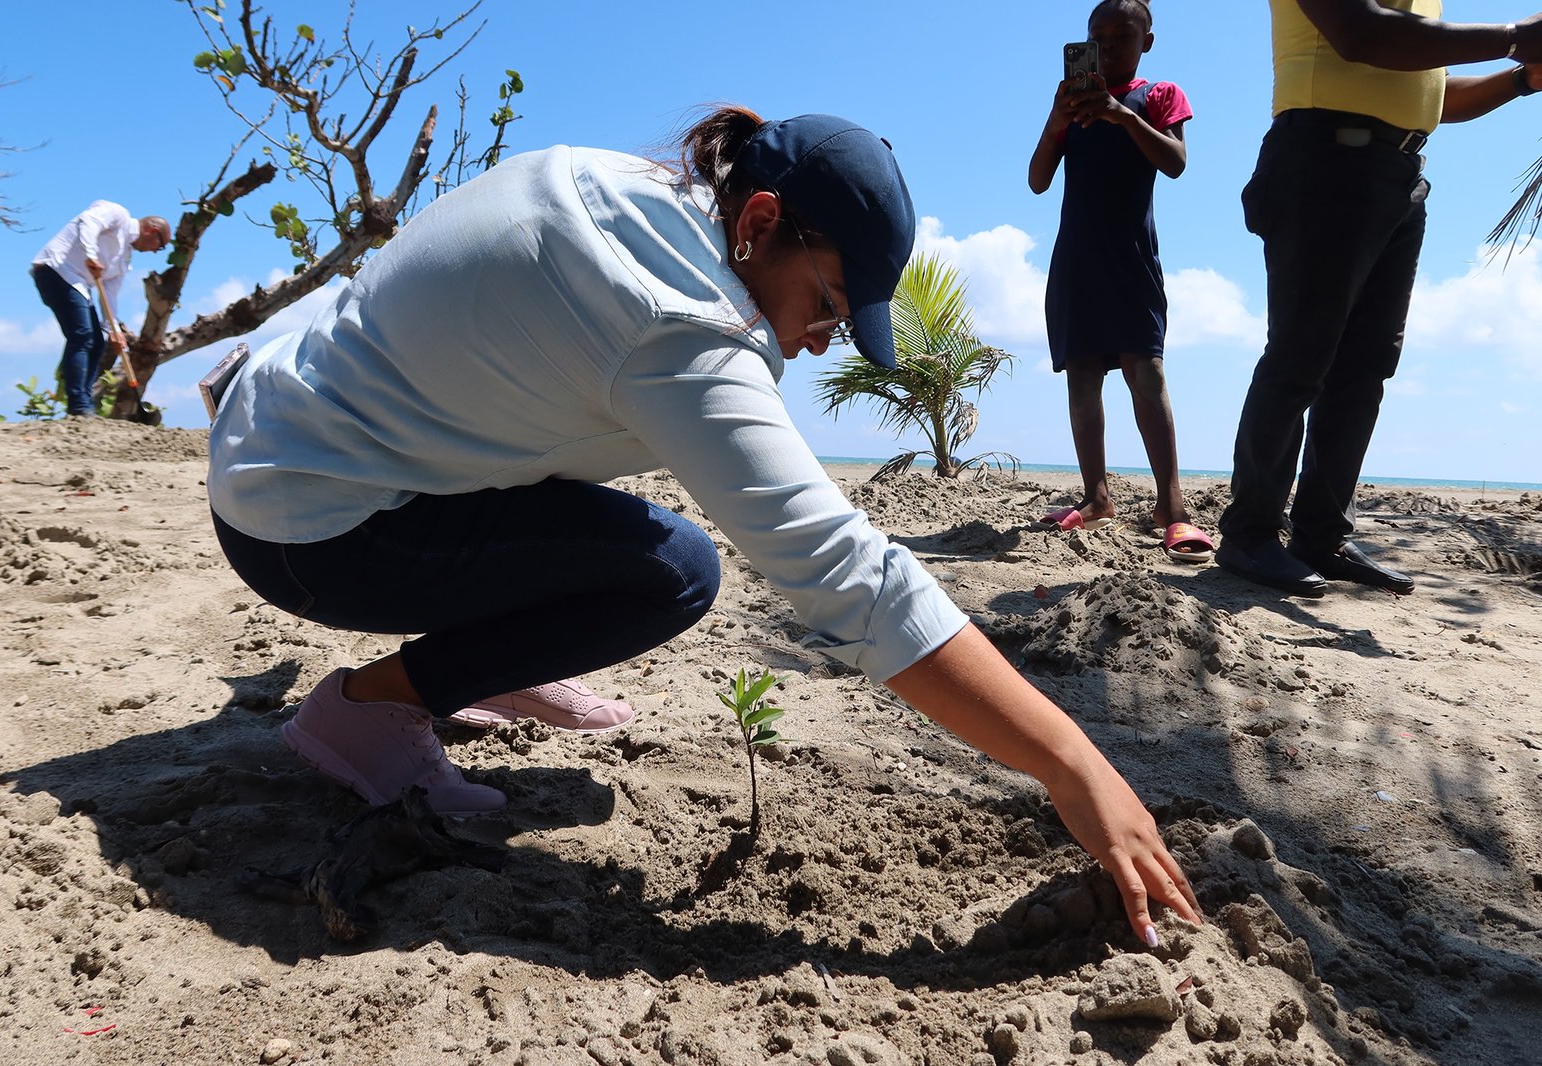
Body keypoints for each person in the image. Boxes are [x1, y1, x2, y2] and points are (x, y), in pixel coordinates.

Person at [206, 107, 1200, 945]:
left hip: (279, 421)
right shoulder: (677, 315)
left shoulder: (609, 179)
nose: (820, 343)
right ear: (759, 221)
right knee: (673, 571)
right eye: (828, 303)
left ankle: (490, 658)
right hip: (307, 527)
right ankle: (369, 709)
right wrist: (1071, 763)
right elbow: (849, 578)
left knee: (619, 516)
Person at [1217, 0, 1542, 596]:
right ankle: (1249, 533)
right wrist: (1517, 36)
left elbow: (1434, 97)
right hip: (1324, 162)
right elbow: (1360, 35)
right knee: (1301, 355)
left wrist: (1523, 79)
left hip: (1398, 174)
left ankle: (1321, 536)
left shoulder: (1424, 9)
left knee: (1366, 366)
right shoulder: (1383, 21)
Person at [1028, 0, 1214, 562]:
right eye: (1097, 35)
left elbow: (1175, 162)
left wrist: (1121, 115)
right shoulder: (1071, 102)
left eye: (1121, 34)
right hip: (1075, 261)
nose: (1107, 45)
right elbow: (1037, 180)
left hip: (1132, 259)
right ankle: (1096, 498)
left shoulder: (1158, 95)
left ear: (1146, 41)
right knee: (1082, 379)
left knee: (1146, 373)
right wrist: (1057, 120)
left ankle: (1172, 509)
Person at [30, 201, 171, 417]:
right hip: (57, 270)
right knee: (82, 335)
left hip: (78, 284)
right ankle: (78, 404)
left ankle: (84, 401)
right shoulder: (118, 215)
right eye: (160, 246)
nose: (155, 252)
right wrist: (91, 255)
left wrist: (113, 329)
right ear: (151, 231)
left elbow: (110, 292)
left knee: (97, 341)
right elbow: (88, 221)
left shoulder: (124, 257)